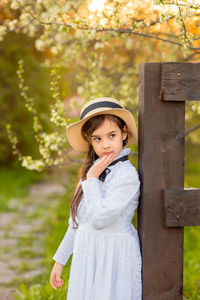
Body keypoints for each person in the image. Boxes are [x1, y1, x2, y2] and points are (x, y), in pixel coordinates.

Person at [50, 97, 142, 300]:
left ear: (123, 134)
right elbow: (76, 222)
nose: (106, 144)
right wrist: (60, 260)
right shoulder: (91, 172)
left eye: (111, 135)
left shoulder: (126, 175)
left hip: (113, 254)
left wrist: (91, 181)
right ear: (90, 141)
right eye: (97, 138)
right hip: (87, 251)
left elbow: (100, 220)